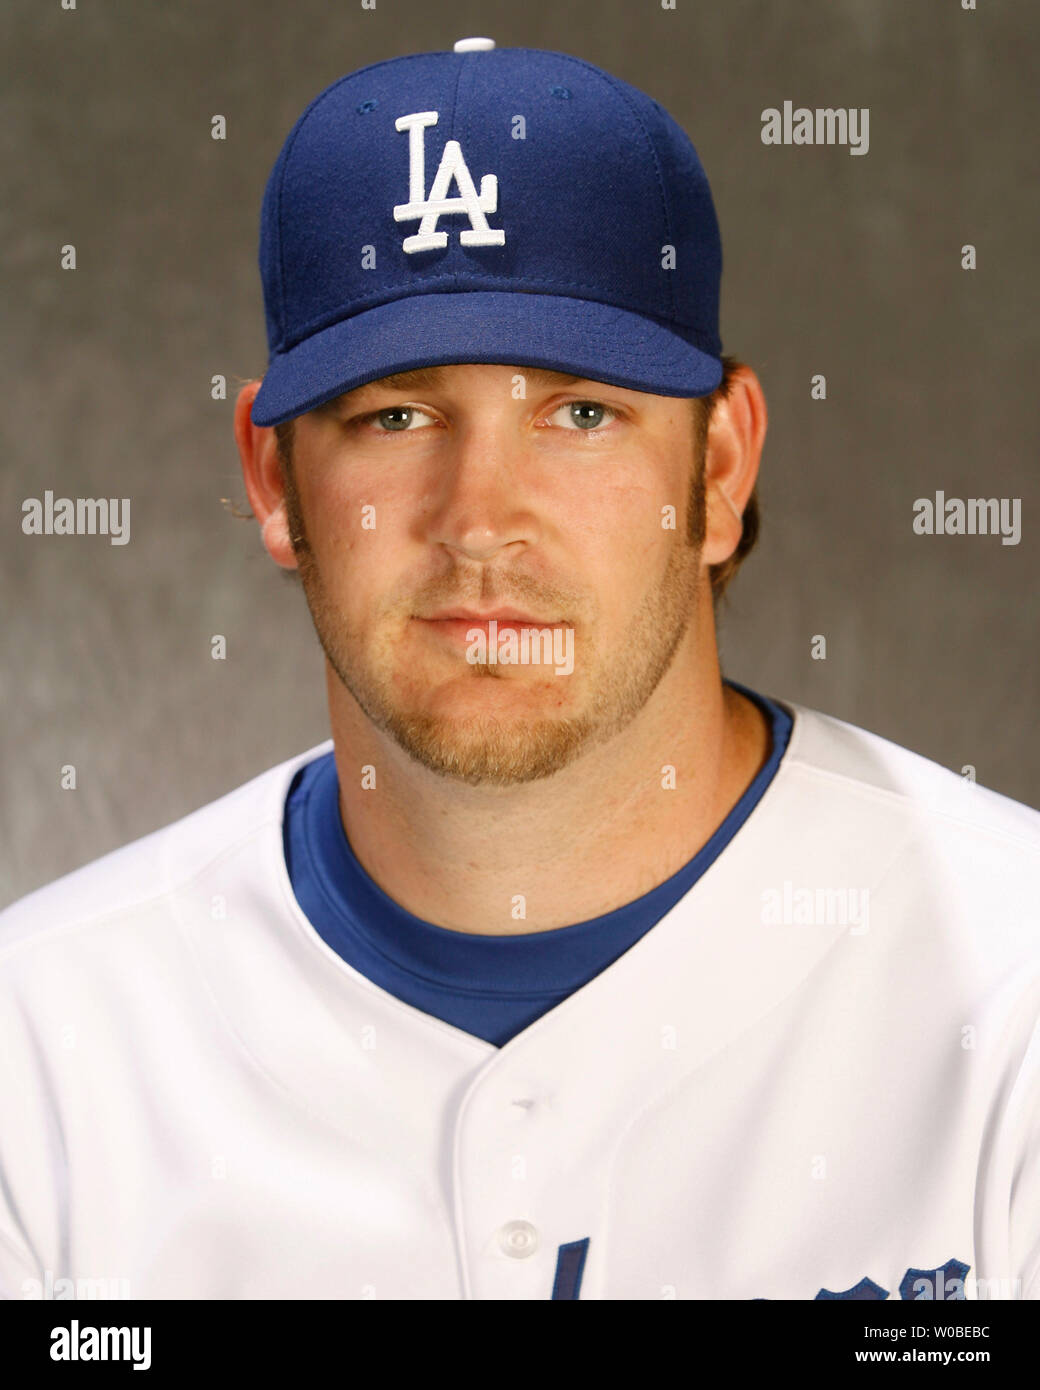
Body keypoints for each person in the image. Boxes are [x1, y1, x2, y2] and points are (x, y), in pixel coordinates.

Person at [1, 38, 1037, 1303]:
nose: (481, 519)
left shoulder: (1010, 993)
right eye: (395, 414)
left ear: (715, 470)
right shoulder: (40, 1053)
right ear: (274, 479)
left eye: (579, 412)